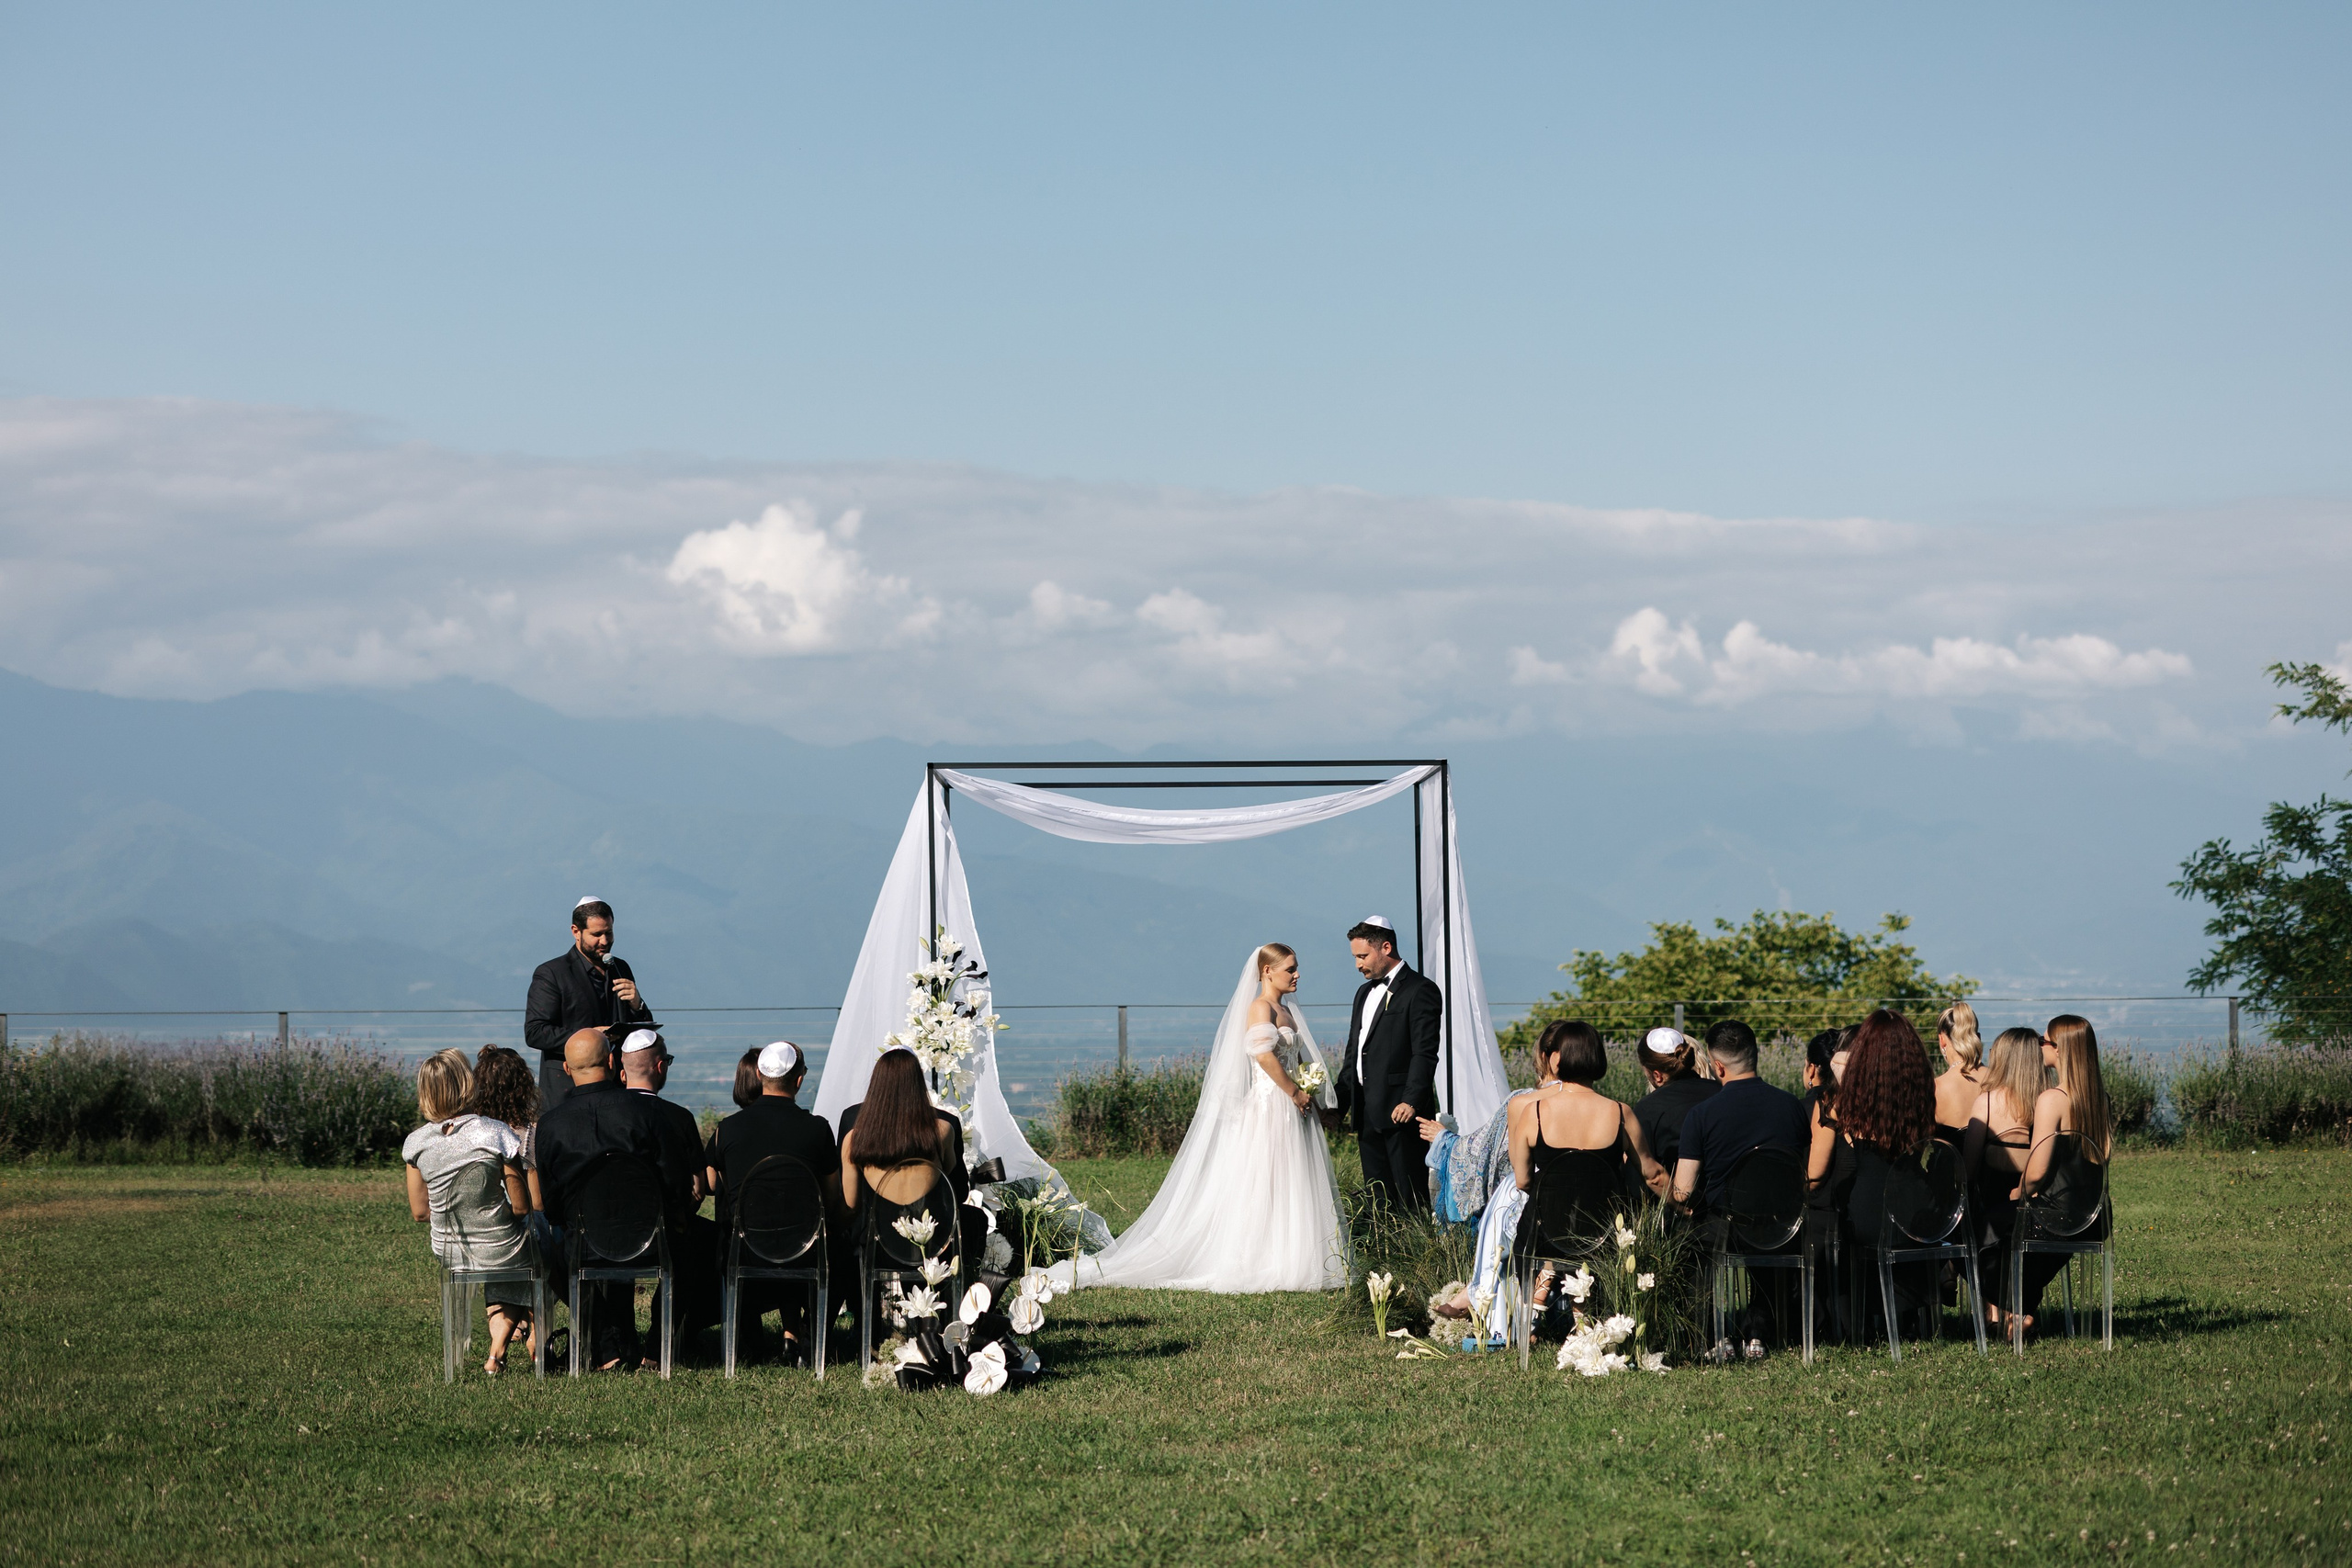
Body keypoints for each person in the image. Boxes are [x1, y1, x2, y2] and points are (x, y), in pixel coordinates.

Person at [1083, 943, 1349, 1292]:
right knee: (1265, 1178)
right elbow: (1263, 1055)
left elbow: (1295, 1059)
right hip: (1271, 1105)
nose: (1297, 974)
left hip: (1292, 1106)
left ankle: (1293, 1254)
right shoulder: (1260, 1007)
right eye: (1290, 969)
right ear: (1267, 971)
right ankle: (1258, 1257)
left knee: (1291, 1178)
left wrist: (1311, 1096)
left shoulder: (1285, 1010)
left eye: (1296, 967)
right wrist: (1293, 1092)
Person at [534, 1027, 701, 1371]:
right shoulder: (649, 1113)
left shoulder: (549, 1125)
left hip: (583, 1245)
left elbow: (552, 1205)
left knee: (554, 1260)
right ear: (612, 1062)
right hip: (651, 1242)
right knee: (692, 1246)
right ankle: (657, 1349)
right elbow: (675, 1184)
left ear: (566, 1069)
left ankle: (606, 1348)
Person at [1668, 1017, 1809, 1359]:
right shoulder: (1791, 1105)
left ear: (1717, 1067)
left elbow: (1683, 1191)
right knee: (1762, 1233)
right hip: (1781, 1223)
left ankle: (1713, 1335)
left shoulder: (1702, 1114)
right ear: (1755, 1055)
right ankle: (1758, 1332)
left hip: (1724, 1227)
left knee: (1689, 1237)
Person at [401, 1048, 538, 1374]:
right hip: (501, 1245)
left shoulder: (416, 1143)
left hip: (451, 1250)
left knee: (503, 1257)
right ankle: (522, 1344)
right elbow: (522, 1207)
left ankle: (497, 1352)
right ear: (466, 1083)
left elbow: (420, 1212)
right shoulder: (495, 1132)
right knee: (532, 1250)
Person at [705, 1041, 843, 1361]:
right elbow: (832, 1196)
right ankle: (809, 1332)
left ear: (758, 1075)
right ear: (799, 1080)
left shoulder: (727, 1129)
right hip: (805, 1250)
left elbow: (713, 1184)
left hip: (745, 1250)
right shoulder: (818, 1129)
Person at [1419, 1027, 1556, 1339]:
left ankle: (1479, 1294)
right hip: (1585, 1208)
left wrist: (1446, 1141)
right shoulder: (1610, 1108)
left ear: (1545, 1058)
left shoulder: (1524, 1101)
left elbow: (1486, 1151)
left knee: (1507, 1200)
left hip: (1532, 1200)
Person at [1509, 1021, 1666, 1272]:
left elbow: (1523, 1181)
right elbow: (1652, 1174)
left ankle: (1539, 1290)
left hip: (1545, 1233)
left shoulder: (1533, 1112)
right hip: (1604, 1235)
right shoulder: (1621, 1113)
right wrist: (1686, 1206)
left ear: (1557, 1058)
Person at [1832, 1009, 1939, 1337]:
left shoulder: (1852, 1101)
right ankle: (1908, 1315)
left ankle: (1858, 1320)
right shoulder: (1922, 1093)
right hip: (1918, 1212)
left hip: (1869, 1212)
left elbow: (1838, 1068)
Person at [2006, 1014, 2113, 1338]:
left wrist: (2018, 1190)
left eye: (2044, 1040)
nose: (2040, 1045)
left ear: (2060, 1050)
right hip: (2095, 1218)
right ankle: (2020, 1308)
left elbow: (2037, 1171)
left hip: (2056, 1220)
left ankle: (2011, 1310)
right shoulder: (2100, 1100)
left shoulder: (2052, 1099)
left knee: (1993, 1224)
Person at [1333, 916, 1442, 1212]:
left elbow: (1425, 1052)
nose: (1358, 964)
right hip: (1367, 1111)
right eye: (1355, 957)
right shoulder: (1363, 993)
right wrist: (1338, 1106)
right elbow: (1355, 1054)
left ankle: (1414, 1242)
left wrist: (1411, 1100)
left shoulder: (1421, 989)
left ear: (1386, 947)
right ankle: (1382, 1242)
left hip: (1401, 1112)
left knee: (1410, 1196)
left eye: (1362, 956)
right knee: (1377, 1197)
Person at [524, 897, 654, 1110]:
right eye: (596, 934)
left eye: (609, 933)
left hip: (615, 1090)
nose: (604, 941)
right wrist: (590, 1037)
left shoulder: (620, 968)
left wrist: (637, 1005)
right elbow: (535, 1032)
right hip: (567, 1091)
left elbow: (640, 1028)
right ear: (576, 931)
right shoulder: (552, 973)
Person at [1962, 1025, 2044, 1325]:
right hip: (2034, 1213)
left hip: (1989, 1217)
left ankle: (1994, 1308)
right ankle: (2016, 1309)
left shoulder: (1986, 1102)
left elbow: (1968, 1170)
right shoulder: (2046, 1103)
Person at [1634, 1025, 1720, 1171]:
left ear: (1657, 1076)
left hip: (1675, 1184)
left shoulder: (1648, 1109)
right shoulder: (1720, 1091)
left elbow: (1644, 1173)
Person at [1931, 1002, 1985, 1146]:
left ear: (1942, 1040)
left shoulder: (1935, 1088)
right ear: (1978, 1037)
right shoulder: (1998, 1079)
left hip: (1950, 1160)